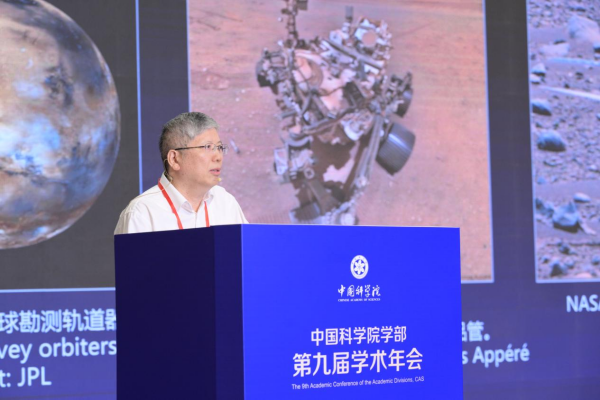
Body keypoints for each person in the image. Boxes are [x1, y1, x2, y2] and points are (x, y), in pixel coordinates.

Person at [114, 112, 247, 234]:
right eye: (208, 147)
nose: (218, 157)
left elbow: (249, 251)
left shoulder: (226, 202)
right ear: (174, 159)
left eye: (219, 147)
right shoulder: (142, 212)